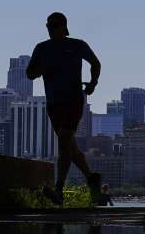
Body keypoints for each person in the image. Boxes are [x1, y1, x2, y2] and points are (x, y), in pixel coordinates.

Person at [26, 12, 103, 205]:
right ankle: (91, 178)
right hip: (54, 105)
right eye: (49, 27)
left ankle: (59, 189)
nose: (52, 30)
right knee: (68, 145)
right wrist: (42, 69)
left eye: (56, 26)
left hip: (73, 101)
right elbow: (29, 73)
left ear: (64, 27)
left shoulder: (77, 45)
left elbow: (95, 63)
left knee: (64, 138)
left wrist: (93, 83)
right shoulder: (42, 48)